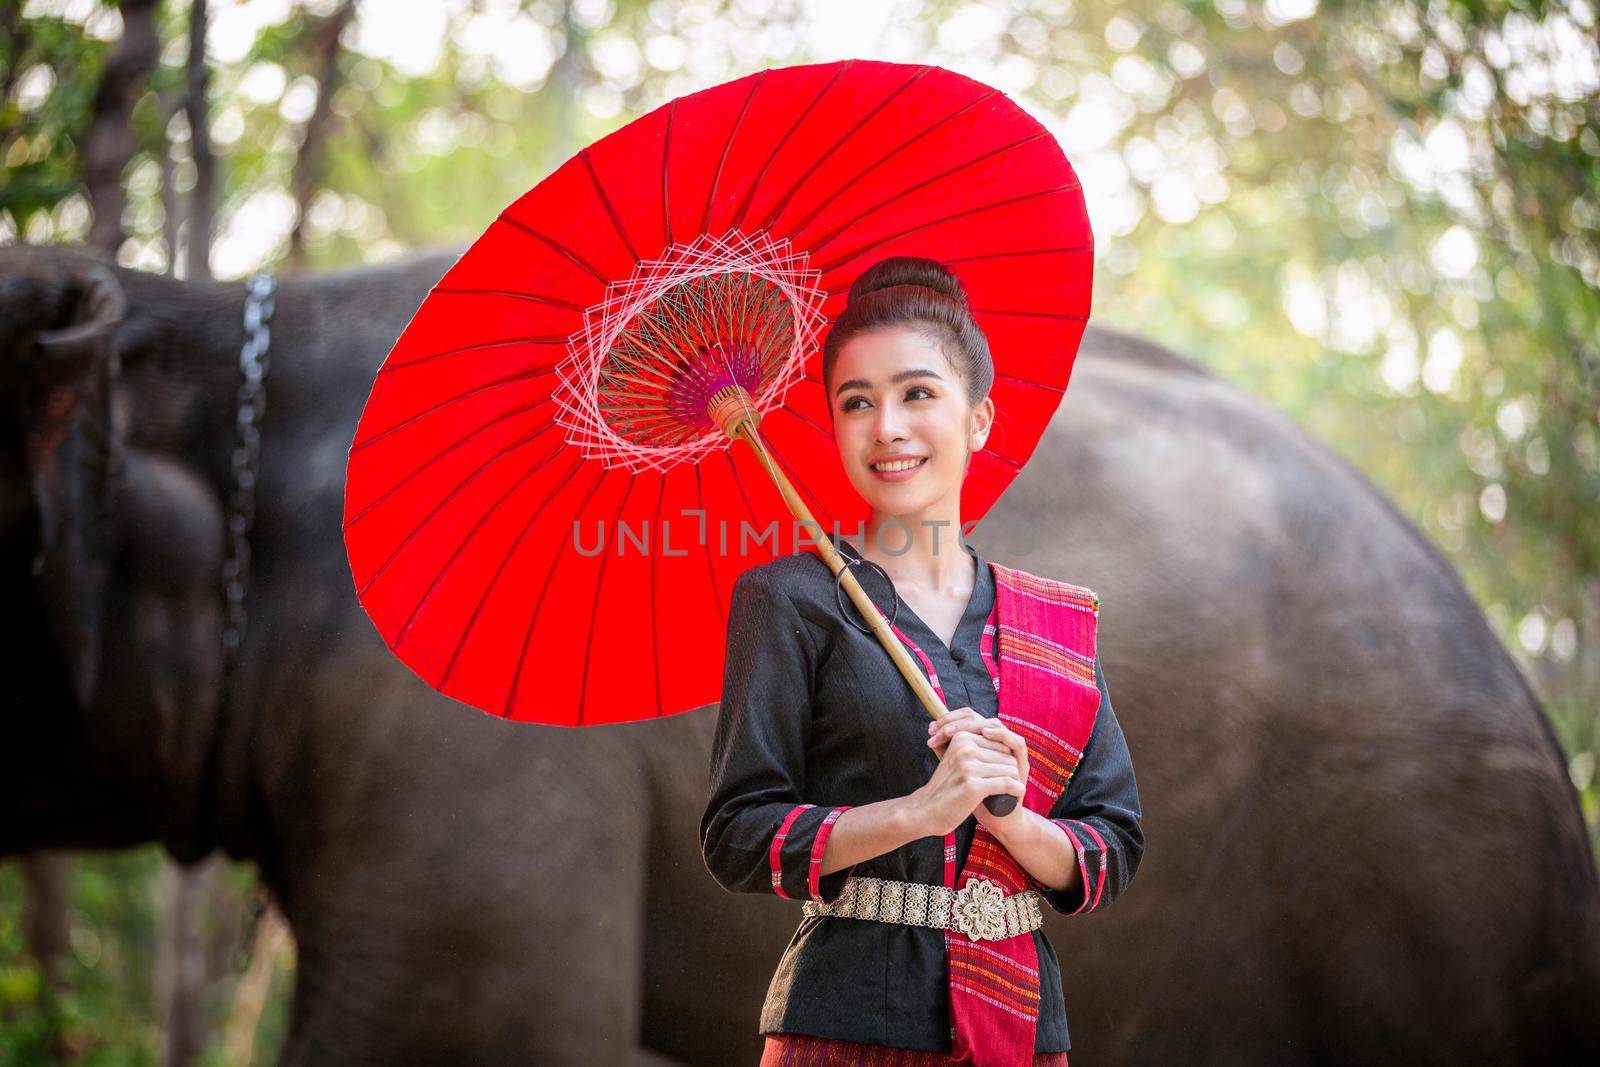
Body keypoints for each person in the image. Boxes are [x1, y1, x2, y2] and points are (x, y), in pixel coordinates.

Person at [699, 256, 1144, 1065]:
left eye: (917, 393)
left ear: (978, 418)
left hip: (1026, 1029)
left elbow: (1113, 844)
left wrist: (1007, 813)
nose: (887, 427)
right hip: (843, 1026)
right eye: (856, 402)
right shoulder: (791, 598)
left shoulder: (1055, 621)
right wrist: (921, 811)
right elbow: (737, 833)